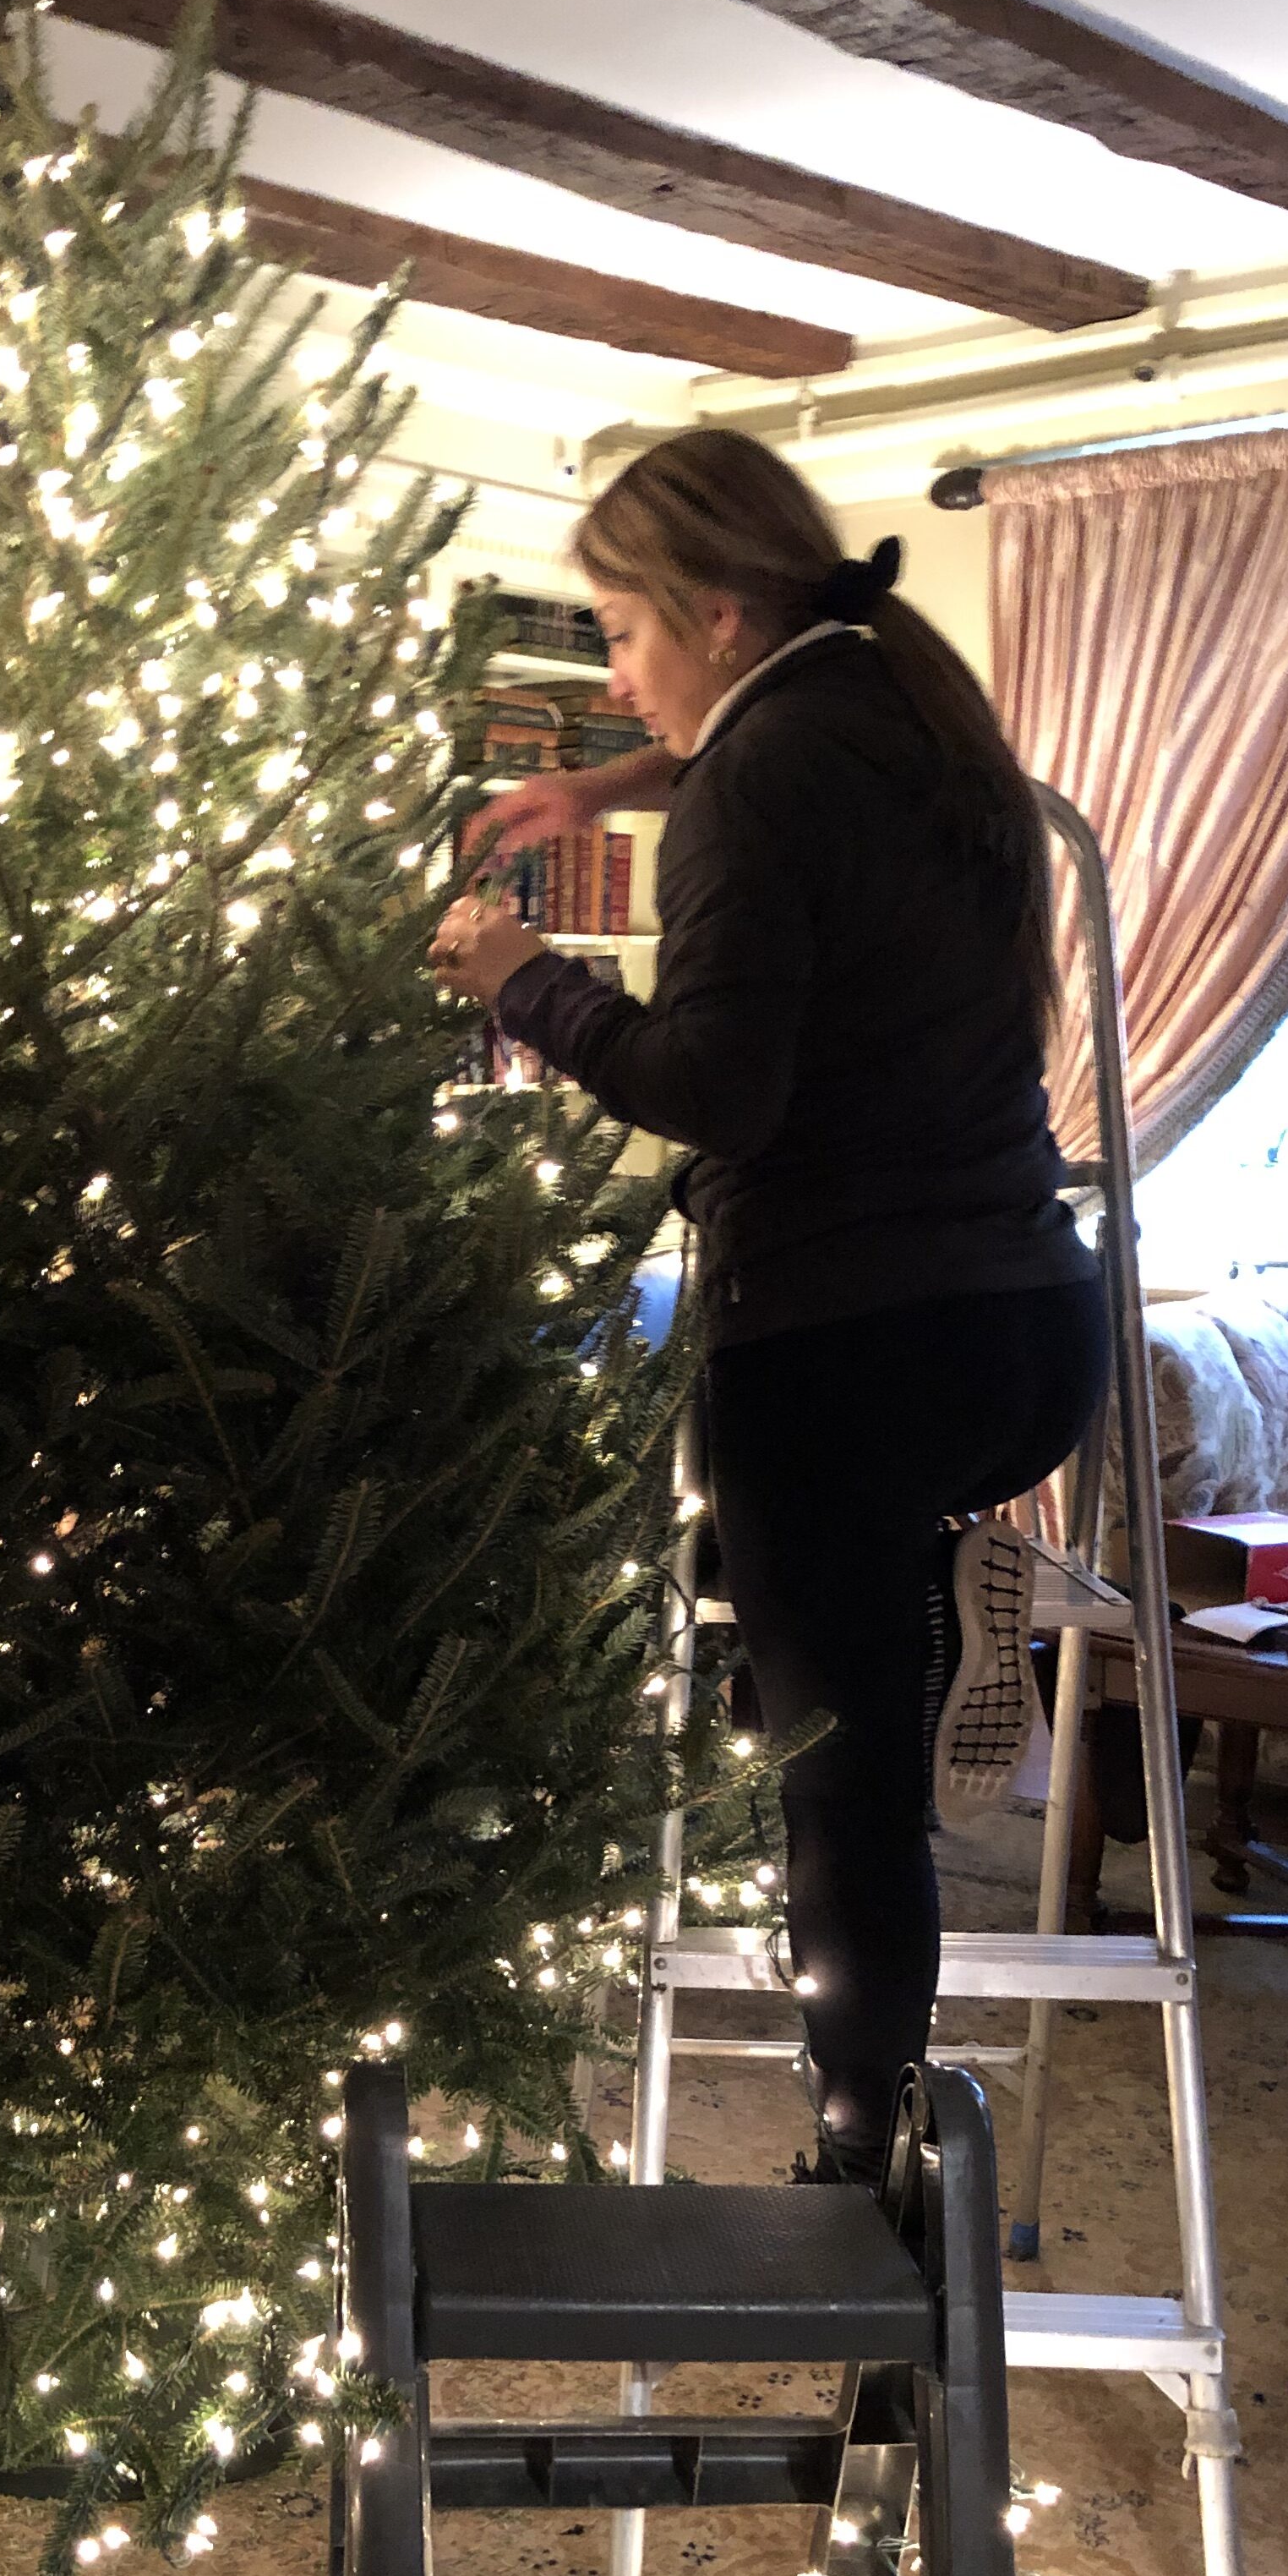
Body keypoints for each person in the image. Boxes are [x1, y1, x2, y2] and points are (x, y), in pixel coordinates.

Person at [428, 427, 1107, 2192]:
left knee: (834, 1762)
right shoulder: (905, 705)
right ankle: (949, 1593)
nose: (612, 674)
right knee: (831, 1619)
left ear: (716, 615)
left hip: (847, 1341)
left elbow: (714, 1091)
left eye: (619, 632)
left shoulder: (760, 778)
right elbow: (779, 782)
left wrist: (525, 980)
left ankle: (862, 2149)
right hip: (1028, 1333)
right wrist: (611, 788)